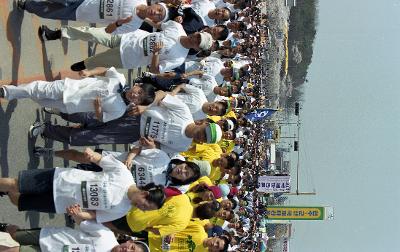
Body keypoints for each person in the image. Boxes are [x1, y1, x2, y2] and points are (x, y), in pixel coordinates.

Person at [0, 148, 165, 223]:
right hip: (61, 179)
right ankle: (5, 188)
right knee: (15, 184)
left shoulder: (122, 210)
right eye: (145, 206)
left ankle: (5, 192)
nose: (141, 209)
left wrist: (79, 215)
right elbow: (100, 160)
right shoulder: (124, 175)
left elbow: (94, 215)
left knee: (19, 201)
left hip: (60, 204)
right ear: (145, 195)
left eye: (145, 210)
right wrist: (91, 155)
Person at [40, 20, 214, 73]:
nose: (194, 39)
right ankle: (56, 34)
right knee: (92, 33)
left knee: (95, 60)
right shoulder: (177, 28)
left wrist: (155, 54)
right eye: (197, 36)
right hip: (128, 36)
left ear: (197, 49)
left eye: (198, 42)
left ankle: (85, 64)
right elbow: (159, 24)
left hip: (127, 57)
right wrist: (139, 17)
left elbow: (155, 70)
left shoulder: (179, 57)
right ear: (197, 32)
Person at [0, 67, 155, 123]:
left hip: (70, 106)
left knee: (40, 99)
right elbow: (106, 70)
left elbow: (102, 119)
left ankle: (19, 93)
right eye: (139, 92)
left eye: (139, 99)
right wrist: (89, 72)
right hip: (68, 86)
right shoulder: (119, 79)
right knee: (38, 88)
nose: (136, 96)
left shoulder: (120, 110)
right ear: (137, 86)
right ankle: (8, 92)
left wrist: (98, 109)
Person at [34, 147, 203, 193]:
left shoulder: (162, 187)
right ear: (182, 163)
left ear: (183, 181)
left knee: (74, 175)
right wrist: (129, 159)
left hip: (109, 181)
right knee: (79, 156)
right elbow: (137, 149)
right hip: (110, 159)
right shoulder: (163, 158)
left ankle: (43, 177)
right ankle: (50, 152)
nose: (182, 171)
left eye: (186, 174)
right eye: (185, 167)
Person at [0, 204, 150, 252]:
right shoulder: (106, 236)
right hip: (50, 237)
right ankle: (6, 228)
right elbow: (82, 222)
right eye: (132, 248)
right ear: (130, 242)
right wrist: (76, 213)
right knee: (14, 234)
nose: (128, 251)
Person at [21, 0, 171, 35]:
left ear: (156, 21)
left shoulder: (133, 26)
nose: (156, 13)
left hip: (81, 12)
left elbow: (107, 30)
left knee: (47, 12)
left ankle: (28, 5)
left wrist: (118, 23)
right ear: (156, 4)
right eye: (159, 10)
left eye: (159, 16)